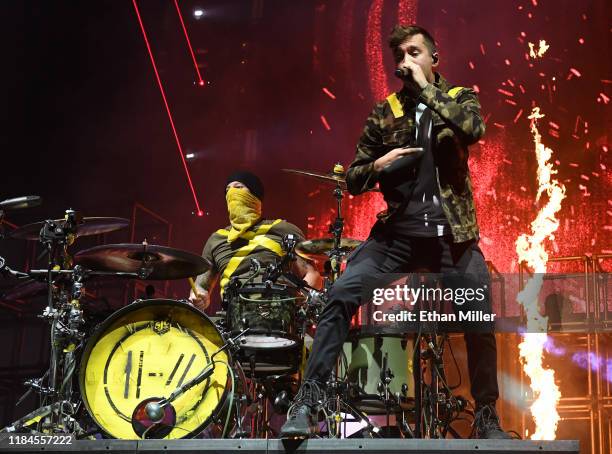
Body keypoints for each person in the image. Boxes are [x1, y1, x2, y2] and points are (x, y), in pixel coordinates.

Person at [280, 25, 510, 439]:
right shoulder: (384, 111)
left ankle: (487, 414)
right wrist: (379, 167)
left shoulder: (458, 98)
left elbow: (473, 130)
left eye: (414, 52)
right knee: (340, 295)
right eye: (400, 56)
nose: (406, 62)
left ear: (433, 58)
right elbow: (352, 177)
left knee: (478, 316)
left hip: (451, 236)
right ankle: (307, 401)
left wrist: (428, 91)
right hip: (397, 238)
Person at [189, 171, 321, 311]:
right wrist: (199, 297)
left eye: (238, 188)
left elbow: (312, 275)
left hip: (279, 315)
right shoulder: (216, 239)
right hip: (233, 319)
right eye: (228, 190)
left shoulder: (283, 229)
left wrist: (296, 308)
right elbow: (201, 287)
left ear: (254, 195)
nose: (232, 193)